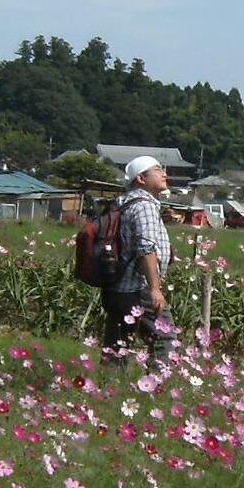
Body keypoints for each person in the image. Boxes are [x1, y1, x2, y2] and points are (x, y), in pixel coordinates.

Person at [101, 155, 175, 367]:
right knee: (165, 338)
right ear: (141, 178)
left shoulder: (123, 203)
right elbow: (146, 249)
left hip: (117, 286)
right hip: (139, 287)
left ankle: (109, 384)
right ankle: (159, 383)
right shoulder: (144, 206)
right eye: (158, 170)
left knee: (117, 343)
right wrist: (154, 288)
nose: (164, 174)